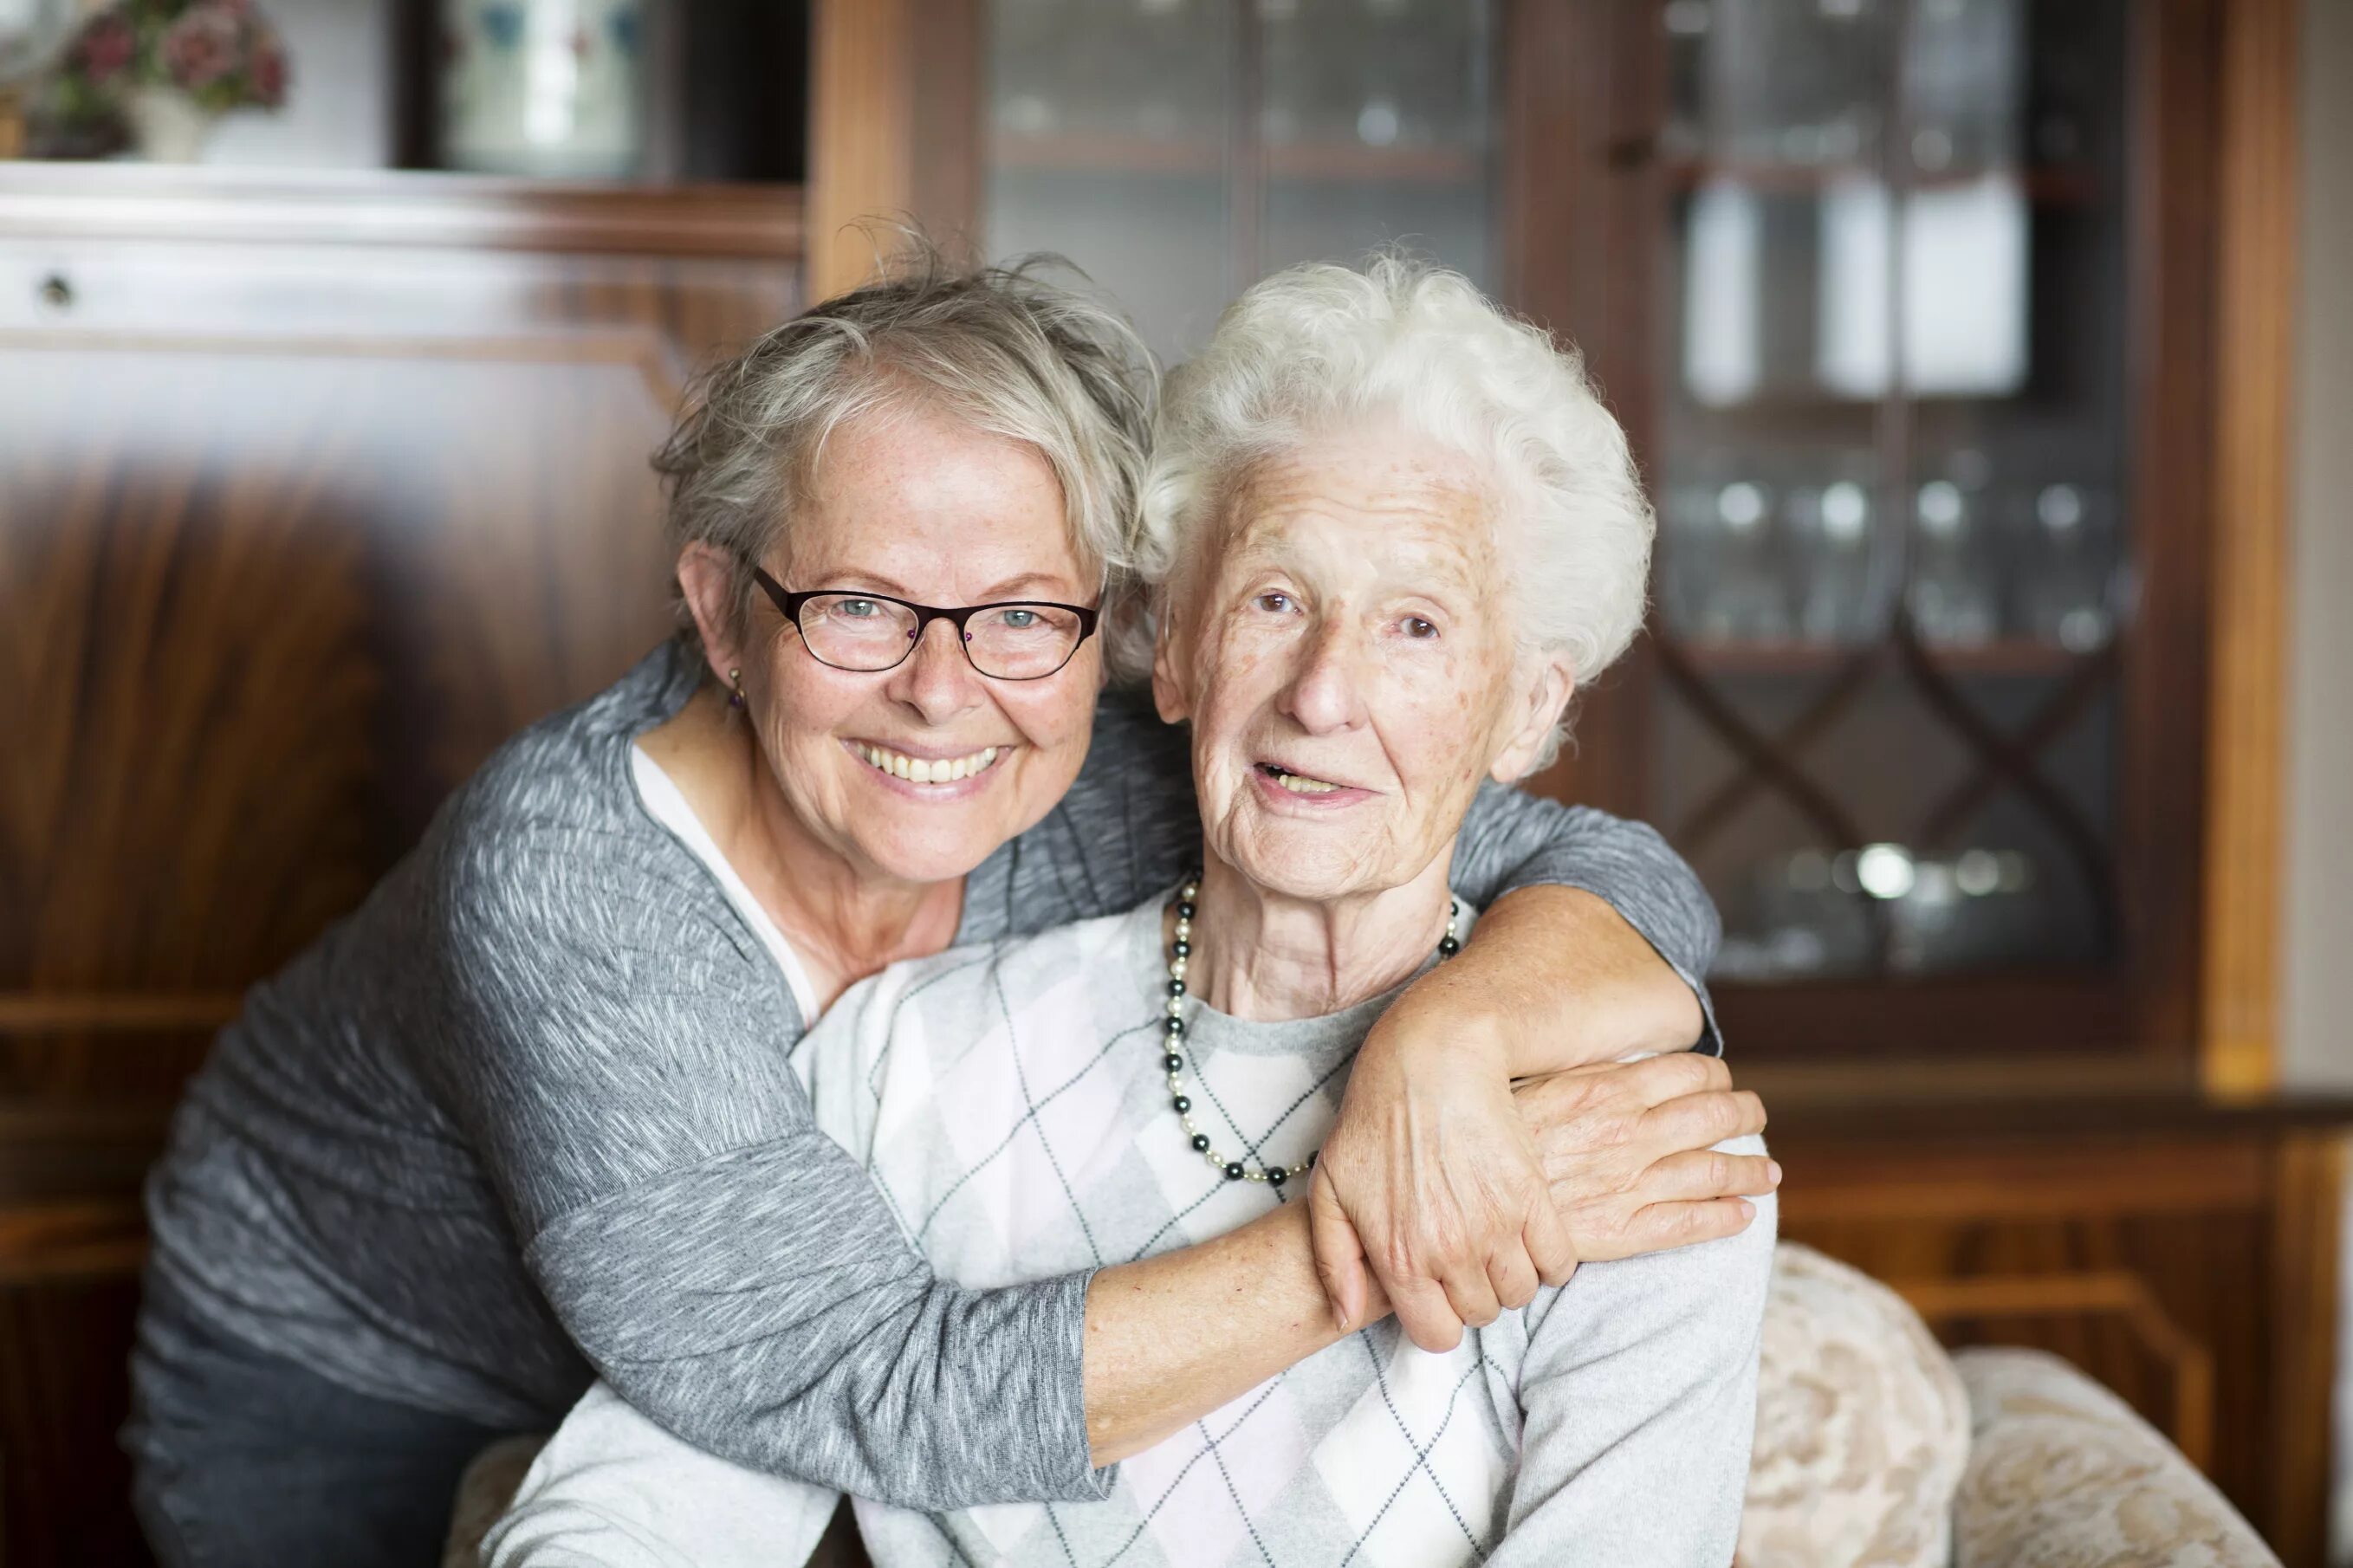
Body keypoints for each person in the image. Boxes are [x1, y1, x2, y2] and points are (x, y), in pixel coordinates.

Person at [128, 252, 1762, 1568]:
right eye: (856, 604)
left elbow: (1588, 865)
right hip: (350, 1362)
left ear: (1115, 634)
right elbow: (847, 1377)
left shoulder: (1104, 750)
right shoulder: (571, 892)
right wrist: (1376, 1238)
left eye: (1019, 612)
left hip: (705, 1335)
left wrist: (1450, 1042)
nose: (941, 695)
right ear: (719, 606)